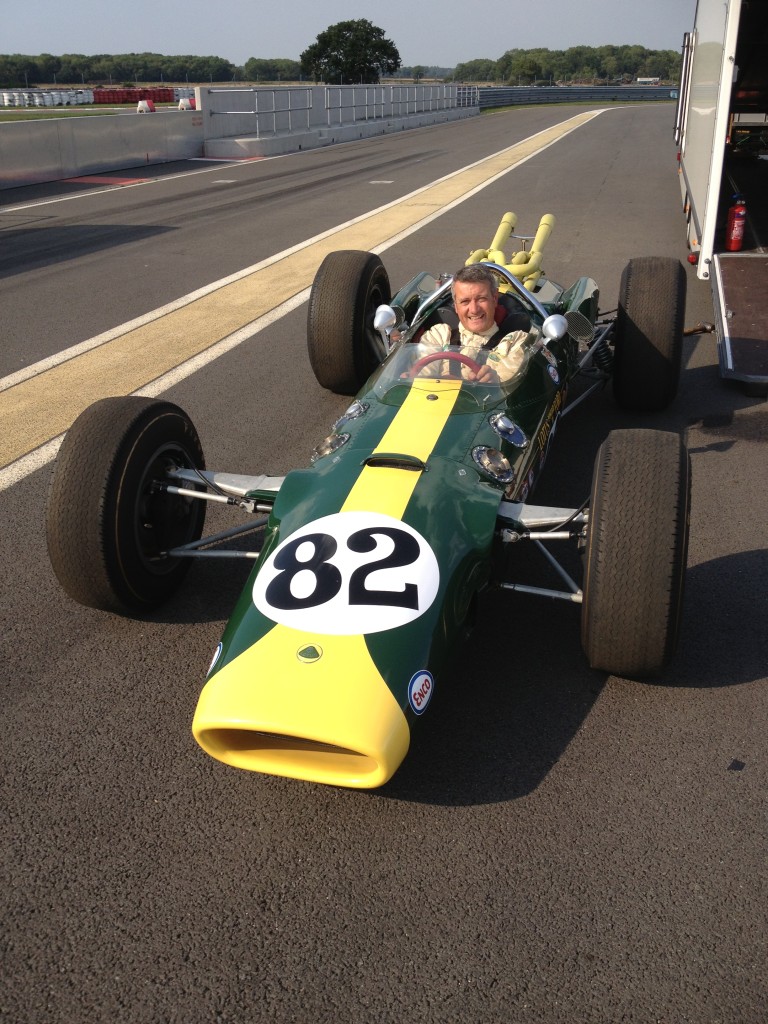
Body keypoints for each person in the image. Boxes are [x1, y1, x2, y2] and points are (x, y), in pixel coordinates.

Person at [417, 264, 531, 384]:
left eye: (481, 299)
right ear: (456, 306)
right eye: (465, 301)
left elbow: (510, 389)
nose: (474, 310)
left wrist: (495, 382)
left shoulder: (514, 342)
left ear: (494, 299)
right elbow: (420, 379)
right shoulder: (439, 335)